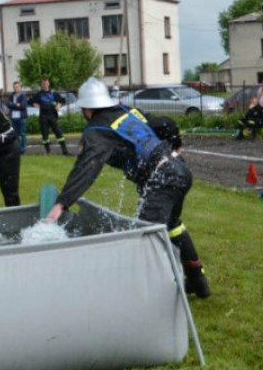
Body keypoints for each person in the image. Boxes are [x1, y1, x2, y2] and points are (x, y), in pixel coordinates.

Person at [44, 78, 211, 298]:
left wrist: (61, 204)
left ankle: (149, 298)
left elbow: (86, 168)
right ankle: (197, 281)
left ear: (86, 108)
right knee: (172, 226)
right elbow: (164, 124)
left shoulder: (97, 130)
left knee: (144, 238)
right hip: (178, 170)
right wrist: (176, 144)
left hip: (162, 179)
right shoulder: (128, 111)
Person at [28, 78, 69, 155]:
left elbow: (63, 100)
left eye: (46, 83)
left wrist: (58, 105)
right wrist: (35, 104)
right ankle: (48, 152)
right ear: (41, 85)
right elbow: (30, 101)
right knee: (45, 135)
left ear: (49, 84)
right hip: (43, 116)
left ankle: (65, 151)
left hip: (52, 115)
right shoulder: (39, 94)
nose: (45, 85)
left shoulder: (53, 93)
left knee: (59, 133)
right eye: (43, 84)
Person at [6, 80, 30, 154]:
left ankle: (22, 149)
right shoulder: (11, 96)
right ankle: (16, 148)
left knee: (22, 133)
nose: (15, 88)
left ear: (20, 87)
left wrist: (14, 105)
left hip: (21, 117)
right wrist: (16, 105)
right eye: (14, 87)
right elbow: (8, 104)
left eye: (17, 87)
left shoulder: (23, 96)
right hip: (13, 118)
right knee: (14, 134)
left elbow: (23, 106)